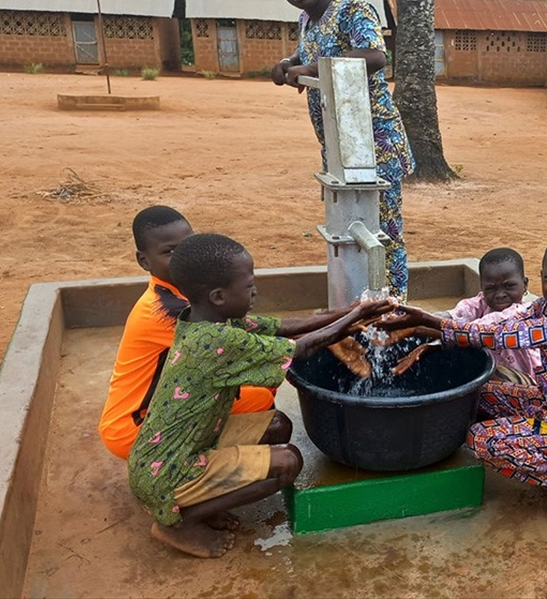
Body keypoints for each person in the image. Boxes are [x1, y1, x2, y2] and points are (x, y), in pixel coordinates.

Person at [127, 232, 394, 558]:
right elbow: (301, 347)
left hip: (176, 449)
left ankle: (204, 503)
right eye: (249, 286)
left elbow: (287, 327)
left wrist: (350, 311)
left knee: (277, 425)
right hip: (167, 471)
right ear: (218, 296)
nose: (255, 291)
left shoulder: (208, 320)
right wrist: (357, 317)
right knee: (287, 462)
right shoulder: (215, 342)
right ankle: (179, 522)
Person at [98, 206, 362, 460]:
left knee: (262, 389)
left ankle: (226, 454)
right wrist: (340, 328)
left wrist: (346, 314)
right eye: (170, 252)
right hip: (134, 425)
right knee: (267, 408)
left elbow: (264, 327)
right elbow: (258, 344)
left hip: (163, 405)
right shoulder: (166, 312)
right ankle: (201, 471)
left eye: (187, 246)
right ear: (143, 260)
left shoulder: (184, 294)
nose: (182, 258)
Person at [379, 235, 547, 520]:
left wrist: (425, 322)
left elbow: (501, 335)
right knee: (479, 393)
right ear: (540, 278)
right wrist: (427, 334)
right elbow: (506, 323)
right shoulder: (544, 307)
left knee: (480, 440)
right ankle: (545, 448)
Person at [270, 0, 414, 299]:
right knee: (349, 230)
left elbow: (375, 56)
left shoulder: (352, 9)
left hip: (374, 144)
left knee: (383, 232)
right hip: (339, 148)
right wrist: (288, 63)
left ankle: (394, 310)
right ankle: (357, 305)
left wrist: (310, 67)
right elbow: (309, 52)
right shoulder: (306, 20)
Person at [438, 248, 541, 386]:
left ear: (525, 284)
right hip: (493, 376)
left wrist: (428, 324)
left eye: (509, 286)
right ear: (482, 287)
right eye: (491, 288)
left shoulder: (524, 312)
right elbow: (459, 313)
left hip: (527, 383)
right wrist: (433, 319)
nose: (500, 294)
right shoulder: (482, 303)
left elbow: (483, 327)